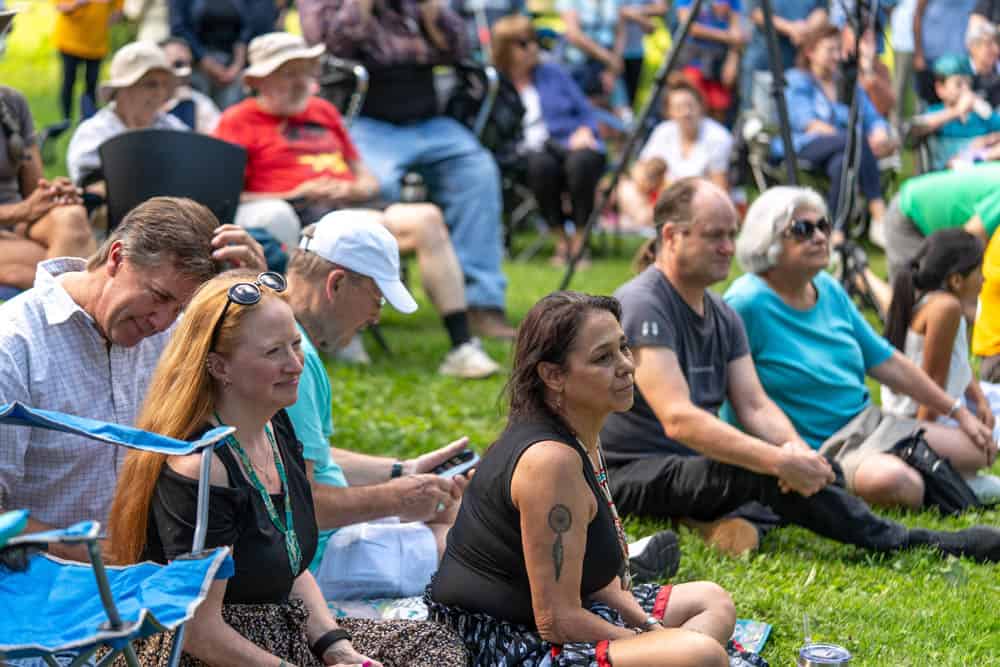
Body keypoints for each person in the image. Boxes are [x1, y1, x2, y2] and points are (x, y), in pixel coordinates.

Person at [599, 178, 1000, 562]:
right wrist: (778, 462)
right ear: (671, 236)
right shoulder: (645, 303)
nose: (727, 247)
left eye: (730, 234)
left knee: (776, 473)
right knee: (762, 476)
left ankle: (729, 521)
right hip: (632, 473)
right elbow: (678, 419)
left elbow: (755, 404)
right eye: (714, 236)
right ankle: (909, 542)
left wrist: (796, 453)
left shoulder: (721, 312)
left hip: (695, 464)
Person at [106, 271, 467, 666]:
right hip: (203, 653)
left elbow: (290, 567)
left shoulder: (275, 428)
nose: (295, 364)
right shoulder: (202, 470)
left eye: (296, 346)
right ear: (219, 367)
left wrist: (338, 649)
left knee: (434, 646)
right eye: (273, 352)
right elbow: (197, 631)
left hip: (277, 631)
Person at [430, 290, 737, 667]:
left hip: (565, 611)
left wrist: (648, 626)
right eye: (603, 357)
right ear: (553, 375)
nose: (626, 365)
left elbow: (594, 580)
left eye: (624, 348)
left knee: (713, 600)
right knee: (700, 653)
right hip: (500, 640)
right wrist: (646, 641)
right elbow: (555, 620)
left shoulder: (582, 432)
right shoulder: (551, 462)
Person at [214, 33, 501, 377]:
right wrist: (297, 191)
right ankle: (320, 333)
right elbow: (228, 196)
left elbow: (369, 181)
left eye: (305, 72)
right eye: (288, 73)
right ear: (258, 80)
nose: (300, 82)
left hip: (349, 208)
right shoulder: (236, 121)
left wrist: (348, 190)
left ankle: (462, 346)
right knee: (282, 217)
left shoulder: (323, 111)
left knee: (427, 218)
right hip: (294, 215)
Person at [0, 196, 265, 560]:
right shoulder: (14, 346)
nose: (162, 321)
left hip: (154, 571)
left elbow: (265, 399)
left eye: (179, 309)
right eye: (158, 297)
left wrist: (256, 297)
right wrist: (110, 557)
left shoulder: (169, 334)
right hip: (43, 583)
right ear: (117, 257)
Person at [725, 185, 997, 510]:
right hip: (819, 446)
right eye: (802, 229)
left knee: (981, 448)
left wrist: (958, 412)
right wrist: (790, 453)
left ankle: (938, 473)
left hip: (868, 422)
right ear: (765, 240)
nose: (819, 236)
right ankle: (941, 478)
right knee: (897, 483)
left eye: (823, 226)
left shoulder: (826, 287)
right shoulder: (746, 303)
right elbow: (739, 402)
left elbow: (888, 363)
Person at [284, 213, 492, 602]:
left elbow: (301, 459)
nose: (376, 317)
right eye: (376, 298)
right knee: (476, 551)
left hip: (317, 542)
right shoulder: (292, 359)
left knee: (460, 517)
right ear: (337, 283)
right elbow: (303, 506)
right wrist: (397, 496)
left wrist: (403, 471)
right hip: (310, 560)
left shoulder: (285, 339)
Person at [298, 0, 516, 340]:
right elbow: (326, 49)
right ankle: (362, 298)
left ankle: (482, 305)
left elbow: (460, 48)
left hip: (431, 122)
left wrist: (433, 13)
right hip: (367, 121)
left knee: (479, 171)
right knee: (376, 187)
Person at [492, 16, 607, 266]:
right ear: (505, 48)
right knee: (540, 166)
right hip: (525, 155)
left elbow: (586, 112)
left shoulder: (552, 72)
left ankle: (578, 241)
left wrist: (586, 131)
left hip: (568, 143)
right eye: (524, 43)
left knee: (581, 162)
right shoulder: (495, 85)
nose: (533, 48)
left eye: (535, 41)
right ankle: (560, 240)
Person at [781, 23, 896, 246]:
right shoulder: (797, 80)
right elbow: (807, 124)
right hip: (807, 147)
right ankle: (879, 213)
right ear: (810, 52)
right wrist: (858, 140)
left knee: (842, 163)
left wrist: (880, 133)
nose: (836, 56)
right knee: (855, 140)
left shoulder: (847, 84)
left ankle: (836, 233)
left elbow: (872, 117)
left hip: (845, 151)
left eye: (838, 50)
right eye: (829, 50)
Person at [881, 230, 993, 428]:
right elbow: (933, 386)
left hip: (944, 407)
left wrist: (981, 401)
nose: (984, 279)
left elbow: (957, 363)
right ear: (956, 280)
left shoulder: (935, 300)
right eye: (979, 271)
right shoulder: (945, 308)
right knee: (985, 445)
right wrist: (920, 442)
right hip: (920, 420)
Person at [0, 85, 94, 289]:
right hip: (15, 218)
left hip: (18, 223)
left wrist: (52, 195)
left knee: (72, 216)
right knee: (71, 268)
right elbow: (25, 208)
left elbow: (34, 189)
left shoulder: (11, 102)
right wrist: (21, 210)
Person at [66, 41, 189, 186]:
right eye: (151, 84)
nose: (161, 93)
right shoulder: (95, 134)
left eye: (164, 85)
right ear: (122, 90)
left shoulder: (173, 127)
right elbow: (90, 186)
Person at [882, 162, 1000, 281]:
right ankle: (864, 275)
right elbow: (969, 240)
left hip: (939, 224)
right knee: (918, 296)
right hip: (910, 216)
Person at [908, 54, 1000, 171]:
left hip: (984, 171)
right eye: (959, 84)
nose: (965, 89)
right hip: (950, 174)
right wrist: (957, 111)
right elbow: (912, 131)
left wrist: (987, 140)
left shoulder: (980, 114)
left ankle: (978, 157)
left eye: (968, 84)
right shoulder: (936, 112)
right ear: (940, 89)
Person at [638, 76, 732, 191]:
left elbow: (720, 189)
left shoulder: (719, 137)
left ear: (701, 107)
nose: (686, 112)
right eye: (679, 108)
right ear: (669, 112)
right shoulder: (663, 131)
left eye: (690, 106)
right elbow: (640, 170)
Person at [740, 0, 827, 116]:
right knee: (757, 122)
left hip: (799, 66)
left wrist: (806, 30)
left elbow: (822, 10)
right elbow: (755, 12)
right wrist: (790, 29)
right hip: (763, 63)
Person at [674, 0, 746, 122]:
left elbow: (737, 30)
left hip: (719, 62)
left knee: (719, 108)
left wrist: (732, 61)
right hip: (693, 61)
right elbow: (689, 27)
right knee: (693, 106)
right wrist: (727, 36)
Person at [53, 0, 123, 122]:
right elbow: (60, 6)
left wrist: (104, 24)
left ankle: (88, 119)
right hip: (70, 43)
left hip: (96, 44)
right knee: (69, 82)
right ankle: (66, 120)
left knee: (92, 83)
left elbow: (118, 11)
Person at [913, 0, 978, 103]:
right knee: (931, 108)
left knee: (962, 109)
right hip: (932, 62)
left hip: (962, 62)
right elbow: (917, 14)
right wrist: (918, 55)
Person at [160, 36, 222, 133]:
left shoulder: (200, 103)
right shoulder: (140, 99)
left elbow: (217, 137)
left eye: (190, 64)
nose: (187, 71)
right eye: (178, 64)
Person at [966, 21, 1000, 106]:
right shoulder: (959, 74)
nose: (997, 50)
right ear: (972, 47)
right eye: (988, 44)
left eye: (998, 43)